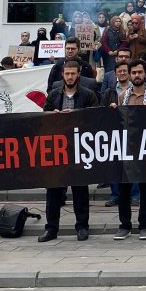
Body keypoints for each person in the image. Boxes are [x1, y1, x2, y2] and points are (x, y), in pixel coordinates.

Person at [37, 60, 99, 242]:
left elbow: (95, 118)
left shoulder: (88, 95)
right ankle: (51, 228)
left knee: (80, 190)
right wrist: (54, 116)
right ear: (62, 75)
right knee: (53, 191)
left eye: (73, 74)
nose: (70, 77)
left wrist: (76, 117)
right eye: (67, 74)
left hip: (79, 148)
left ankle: (82, 226)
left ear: (78, 74)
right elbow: (43, 117)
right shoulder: (54, 95)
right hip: (57, 148)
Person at [106, 60, 146, 240]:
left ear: (145, 74)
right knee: (124, 188)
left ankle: (144, 225)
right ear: (129, 74)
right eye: (134, 72)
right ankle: (124, 225)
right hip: (126, 147)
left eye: (140, 72)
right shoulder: (123, 97)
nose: (137, 75)